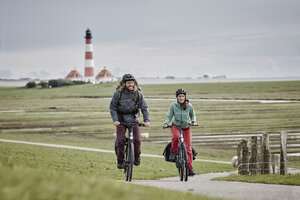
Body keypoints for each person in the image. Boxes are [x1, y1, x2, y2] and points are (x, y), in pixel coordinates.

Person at [110, 74, 150, 169]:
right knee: (120, 140)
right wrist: (115, 120)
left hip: (133, 118)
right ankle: (120, 161)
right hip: (120, 119)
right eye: (128, 83)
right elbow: (112, 108)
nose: (130, 84)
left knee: (137, 139)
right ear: (124, 84)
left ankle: (136, 156)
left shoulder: (138, 93)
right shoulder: (118, 93)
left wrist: (146, 120)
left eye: (132, 82)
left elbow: (144, 107)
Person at [163, 88, 197, 176]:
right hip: (176, 126)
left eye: (182, 96)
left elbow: (193, 115)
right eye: (179, 96)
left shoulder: (189, 106)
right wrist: (166, 123)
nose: (181, 98)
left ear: (185, 97)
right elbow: (169, 116)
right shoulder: (173, 106)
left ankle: (190, 168)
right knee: (176, 137)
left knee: (188, 148)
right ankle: (173, 152)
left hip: (186, 127)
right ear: (177, 97)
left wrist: (193, 121)